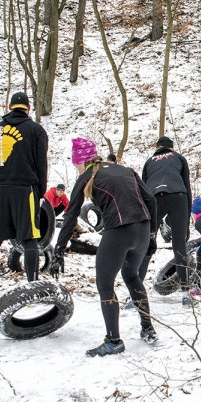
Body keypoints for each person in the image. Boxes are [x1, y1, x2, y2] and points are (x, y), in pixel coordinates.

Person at [51, 137, 158, 356]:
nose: (76, 167)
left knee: (105, 285)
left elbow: (70, 215)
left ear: (82, 161)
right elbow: (152, 201)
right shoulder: (125, 170)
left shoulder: (87, 176)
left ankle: (113, 340)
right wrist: (152, 234)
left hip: (119, 231)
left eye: (75, 162)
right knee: (131, 276)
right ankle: (148, 329)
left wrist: (58, 251)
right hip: (142, 230)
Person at [0, 92, 48, 302]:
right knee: (29, 239)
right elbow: (41, 163)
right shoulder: (36, 130)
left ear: (10, 106)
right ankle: (33, 289)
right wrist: (40, 191)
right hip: (25, 190)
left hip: (1, 190)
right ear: (28, 108)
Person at [137, 136, 191, 295]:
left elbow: (143, 189)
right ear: (172, 148)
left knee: (148, 243)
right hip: (178, 195)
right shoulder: (179, 158)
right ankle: (186, 292)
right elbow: (187, 186)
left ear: (157, 147)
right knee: (179, 244)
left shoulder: (149, 161)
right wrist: (186, 222)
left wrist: (144, 218)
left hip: (154, 198)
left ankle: (135, 292)